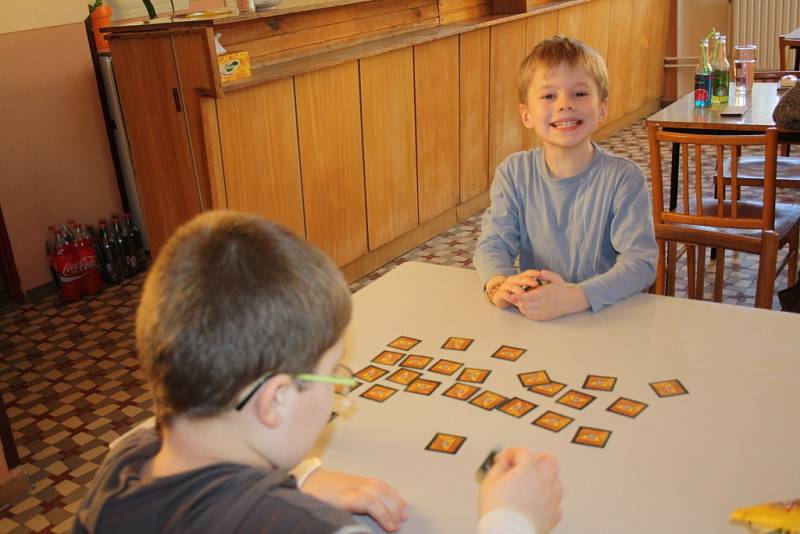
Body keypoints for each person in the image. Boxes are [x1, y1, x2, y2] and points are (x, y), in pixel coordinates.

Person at [73, 211, 562, 534]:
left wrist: (296, 477)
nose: (339, 394)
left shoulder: (123, 466)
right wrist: (512, 519)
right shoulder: (305, 527)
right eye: (335, 376)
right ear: (276, 402)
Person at [474, 35, 658, 321]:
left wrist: (578, 296)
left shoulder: (624, 178)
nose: (565, 104)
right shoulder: (513, 173)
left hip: (606, 317)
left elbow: (640, 262)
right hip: (539, 317)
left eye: (580, 94)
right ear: (527, 115)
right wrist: (498, 283)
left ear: (602, 109)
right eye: (549, 96)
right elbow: (493, 244)